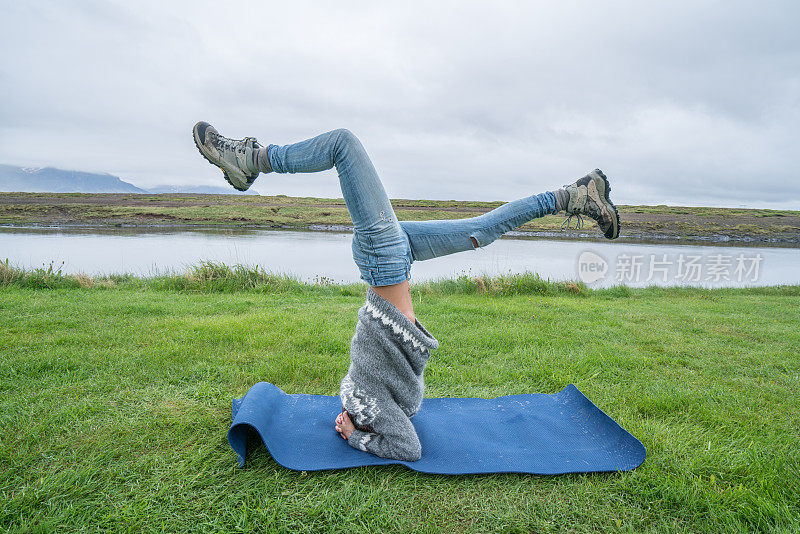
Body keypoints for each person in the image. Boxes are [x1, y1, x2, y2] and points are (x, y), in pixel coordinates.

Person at [193, 123, 620, 461]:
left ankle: (571, 196)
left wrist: (357, 423)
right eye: (348, 419)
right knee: (344, 144)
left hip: (387, 264)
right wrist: (354, 435)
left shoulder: (391, 399)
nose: (339, 417)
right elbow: (408, 448)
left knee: (481, 230)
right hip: (386, 261)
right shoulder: (374, 406)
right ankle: (249, 160)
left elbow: (399, 410)